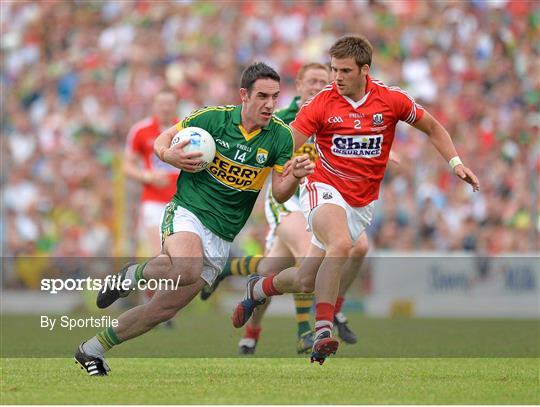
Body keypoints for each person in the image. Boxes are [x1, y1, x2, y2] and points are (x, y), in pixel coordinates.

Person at [231, 35, 480, 364]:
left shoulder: (391, 100)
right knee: (341, 244)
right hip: (323, 188)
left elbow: (433, 128)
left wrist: (456, 163)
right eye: (333, 69)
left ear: (365, 70)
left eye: (344, 71)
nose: (336, 78)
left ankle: (258, 289)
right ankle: (323, 330)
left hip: (362, 202)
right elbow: (288, 142)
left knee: (306, 278)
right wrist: (272, 168)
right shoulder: (321, 103)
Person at [74, 62, 314, 376]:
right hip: (188, 211)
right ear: (244, 95)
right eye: (262, 96)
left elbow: (281, 193)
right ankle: (132, 274)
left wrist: (294, 176)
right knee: (186, 268)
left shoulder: (280, 138)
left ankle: (91, 349)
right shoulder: (212, 118)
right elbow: (165, 138)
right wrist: (167, 155)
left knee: (163, 309)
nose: (270, 104)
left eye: (275, 97)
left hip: (223, 235)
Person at [200, 63, 366, 354]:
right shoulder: (281, 120)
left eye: (323, 81)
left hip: (319, 199)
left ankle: (248, 323)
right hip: (288, 200)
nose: (317, 86)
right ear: (299, 85)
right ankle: (306, 331)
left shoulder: (337, 114)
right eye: (311, 81)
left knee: (270, 269)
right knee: (308, 257)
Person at [124, 88, 179, 326]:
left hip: (180, 201)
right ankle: (157, 304)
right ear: (155, 105)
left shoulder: (186, 129)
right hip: (153, 200)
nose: (165, 108)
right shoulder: (141, 131)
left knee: (174, 256)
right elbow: (127, 166)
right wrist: (147, 176)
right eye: (161, 103)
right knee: (159, 252)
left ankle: (158, 303)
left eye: (169, 103)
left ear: (175, 105)